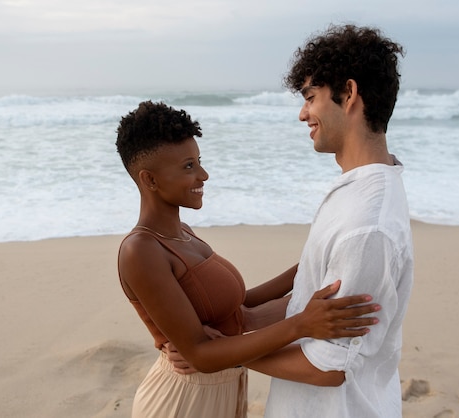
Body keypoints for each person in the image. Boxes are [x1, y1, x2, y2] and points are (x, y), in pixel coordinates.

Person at [115, 100, 382, 418]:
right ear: (150, 180)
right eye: (188, 166)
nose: (204, 174)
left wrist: (313, 262)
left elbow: (239, 309)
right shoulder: (141, 251)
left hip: (224, 389)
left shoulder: (183, 233)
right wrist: (301, 324)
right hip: (181, 400)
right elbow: (200, 353)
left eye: (199, 161)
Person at [248, 24, 414, 417]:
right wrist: (241, 321)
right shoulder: (358, 190)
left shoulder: (367, 223)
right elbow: (314, 300)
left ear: (350, 94)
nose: (303, 113)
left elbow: (328, 367)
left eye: (311, 97)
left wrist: (221, 355)